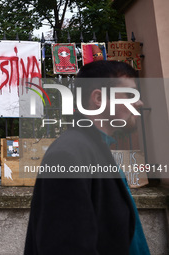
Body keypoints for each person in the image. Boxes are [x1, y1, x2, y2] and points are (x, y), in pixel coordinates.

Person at [24, 60, 150, 255]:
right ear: (98, 98)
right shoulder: (68, 155)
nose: (139, 103)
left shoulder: (96, 148)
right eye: (130, 94)